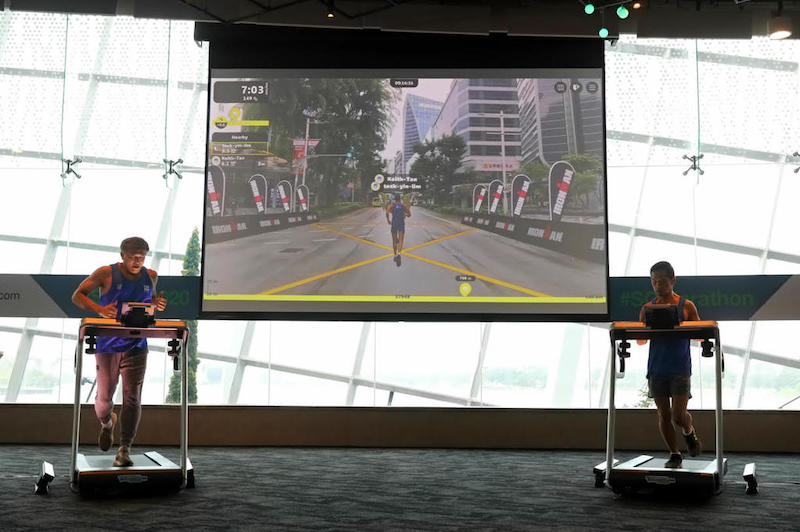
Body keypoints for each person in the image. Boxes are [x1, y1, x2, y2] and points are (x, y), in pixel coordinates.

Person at [72, 237, 167, 467]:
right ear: (122, 254)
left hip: (136, 346)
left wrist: (157, 303)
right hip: (107, 346)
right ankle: (107, 423)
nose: (138, 261)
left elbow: (149, 303)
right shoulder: (106, 273)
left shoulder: (151, 275)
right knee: (104, 400)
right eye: (134, 256)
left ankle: (125, 449)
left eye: (142, 257)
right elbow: (77, 295)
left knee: (132, 398)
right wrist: (100, 309)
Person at [639, 260, 702, 469]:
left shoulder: (687, 306)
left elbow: (700, 335)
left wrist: (684, 327)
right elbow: (640, 340)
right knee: (663, 414)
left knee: (677, 415)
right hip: (657, 369)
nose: (658, 286)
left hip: (680, 369)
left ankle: (688, 431)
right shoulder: (647, 308)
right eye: (654, 282)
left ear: (673, 281)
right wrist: (647, 327)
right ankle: (674, 453)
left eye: (662, 281)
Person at [386, 193, 411, 266]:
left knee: (394, 240)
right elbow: (409, 215)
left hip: (394, 223)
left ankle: (395, 255)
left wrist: (388, 220)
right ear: (400, 199)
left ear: (394, 199)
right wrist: (405, 214)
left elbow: (387, 213)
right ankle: (399, 254)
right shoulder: (404, 206)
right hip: (401, 224)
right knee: (400, 240)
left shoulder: (391, 206)